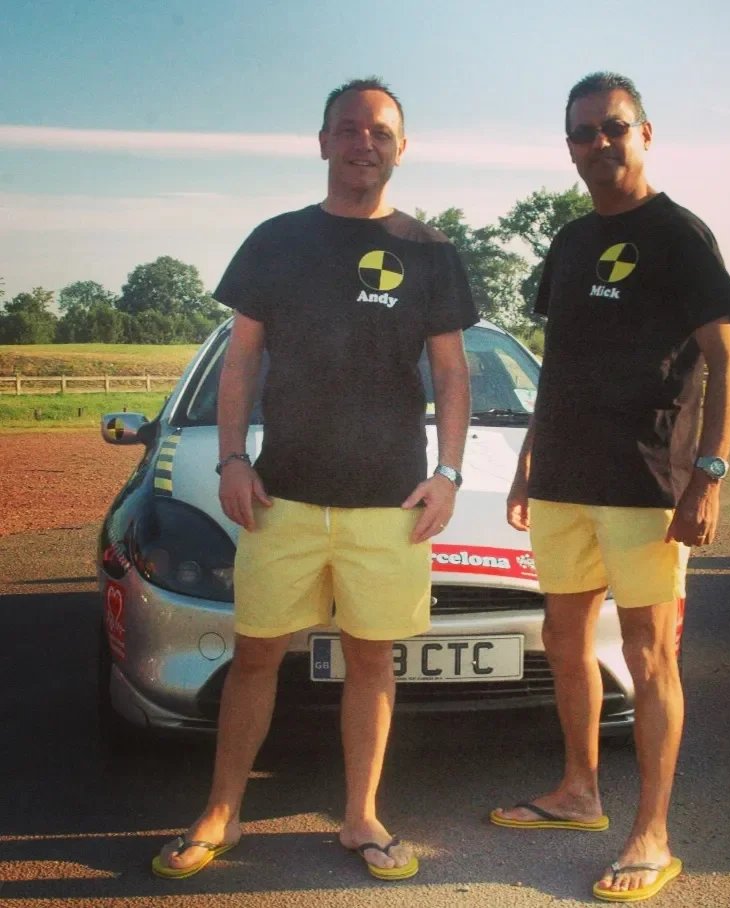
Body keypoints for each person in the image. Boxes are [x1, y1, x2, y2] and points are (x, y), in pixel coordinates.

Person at [152, 77, 477, 882]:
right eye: (349, 128)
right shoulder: (276, 240)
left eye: (380, 131)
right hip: (282, 495)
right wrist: (231, 459)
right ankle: (222, 813)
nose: (364, 142)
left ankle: (361, 819)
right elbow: (242, 360)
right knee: (256, 657)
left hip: (391, 504)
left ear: (402, 147)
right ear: (323, 140)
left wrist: (448, 474)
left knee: (372, 664)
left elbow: (453, 375)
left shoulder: (430, 251)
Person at [490, 72, 730, 903]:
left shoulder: (679, 234)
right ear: (568, 146)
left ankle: (653, 833)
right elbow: (559, 365)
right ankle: (578, 792)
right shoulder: (566, 242)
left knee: (648, 653)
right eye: (581, 133)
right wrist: (530, 461)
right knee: (563, 640)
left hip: (646, 483)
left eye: (612, 128)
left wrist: (707, 474)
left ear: (645, 133)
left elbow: (727, 357)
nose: (597, 143)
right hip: (565, 477)